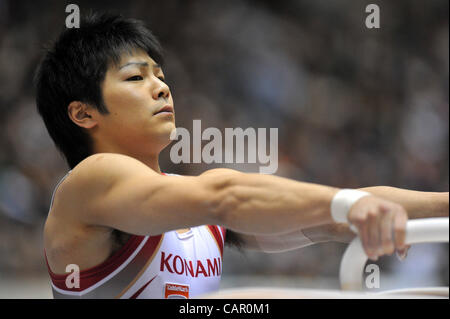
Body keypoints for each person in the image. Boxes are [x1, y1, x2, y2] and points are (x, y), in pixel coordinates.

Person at [35, 13, 448, 299]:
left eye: (161, 76)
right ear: (83, 112)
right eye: (136, 77)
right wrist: (348, 204)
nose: (161, 88)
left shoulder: (194, 203)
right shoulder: (87, 183)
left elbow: (329, 216)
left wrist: (439, 208)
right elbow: (228, 196)